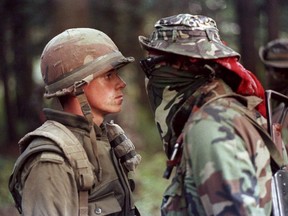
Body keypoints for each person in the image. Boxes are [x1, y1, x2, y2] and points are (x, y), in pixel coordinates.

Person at [138, 14, 273, 215]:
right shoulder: (228, 110)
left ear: (185, 64)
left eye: (154, 62)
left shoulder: (210, 126)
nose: (151, 73)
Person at [9, 28, 141, 216]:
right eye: (108, 75)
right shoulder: (51, 161)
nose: (121, 83)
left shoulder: (104, 140)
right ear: (77, 86)